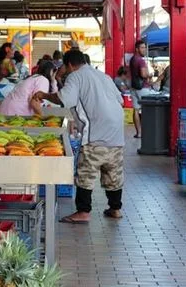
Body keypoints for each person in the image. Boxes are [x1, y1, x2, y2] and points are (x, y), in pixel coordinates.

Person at [34, 49, 124, 223]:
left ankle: (83, 211)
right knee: (114, 171)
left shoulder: (76, 76)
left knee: (86, 172)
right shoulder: (103, 76)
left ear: (69, 65)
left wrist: (43, 95)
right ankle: (115, 208)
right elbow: (119, 100)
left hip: (96, 131)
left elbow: (63, 99)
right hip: (116, 131)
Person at [128, 40, 153, 139]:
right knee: (148, 109)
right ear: (137, 49)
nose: (144, 50)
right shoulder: (141, 61)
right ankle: (148, 131)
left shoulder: (133, 59)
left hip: (134, 87)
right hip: (143, 88)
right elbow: (143, 74)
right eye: (142, 48)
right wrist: (150, 74)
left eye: (144, 47)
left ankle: (139, 133)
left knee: (136, 110)